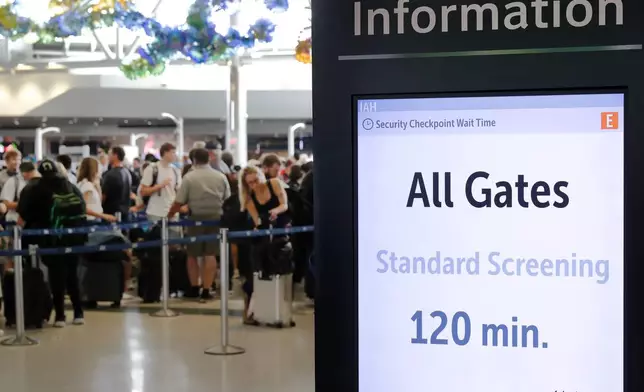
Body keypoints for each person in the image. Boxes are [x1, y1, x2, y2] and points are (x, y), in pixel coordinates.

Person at [17, 159, 86, 327]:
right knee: (72, 275)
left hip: (52, 239)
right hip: (75, 237)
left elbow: (23, 215)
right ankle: (78, 313)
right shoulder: (71, 186)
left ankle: (60, 315)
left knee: (57, 276)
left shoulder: (35, 188)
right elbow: (82, 208)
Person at [168, 148, 230, 301]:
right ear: (208, 159)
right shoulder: (220, 176)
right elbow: (227, 198)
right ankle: (207, 289)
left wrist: (169, 215)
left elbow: (179, 201)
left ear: (194, 160)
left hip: (195, 218)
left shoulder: (189, 177)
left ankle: (194, 287)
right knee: (210, 254)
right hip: (216, 218)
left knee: (192, 254)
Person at [239, 165, 290, 322]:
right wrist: (258, 226)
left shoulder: (274, 183)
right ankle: (251, 308)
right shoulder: (248, 198)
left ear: (261, 175)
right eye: (250, 183)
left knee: (280, 270)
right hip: (262, 236)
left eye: (256, 180)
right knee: (255, 270)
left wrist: (275, 211)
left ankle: (279, 309)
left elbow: (284, 204)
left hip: (281, 231)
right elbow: (257, 220)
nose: (254, 184)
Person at [139, 143, 181, 222]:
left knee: (174, 234)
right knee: (156, 233)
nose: (175, 155)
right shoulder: (152, 169)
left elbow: (179, 191)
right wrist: (159, 186)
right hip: (155, 212)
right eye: (173, 152)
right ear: (165, 153)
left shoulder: (176, 170)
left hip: (172, 213)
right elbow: (143, 191)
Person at [77, 157, 116, 222]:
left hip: (94, 219)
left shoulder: (89, 184)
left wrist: (98, 188)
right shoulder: (87, 185)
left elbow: (98, 203)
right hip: (90, 220)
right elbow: (84, 208)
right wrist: (104, 216)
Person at [102, 146, 132, 222]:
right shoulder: (127, 173)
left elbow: (103, 196)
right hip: (125, 213)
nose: (108, 157)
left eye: (109, 154)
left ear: (115, 155)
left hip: (111, 215)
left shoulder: (109, 175)